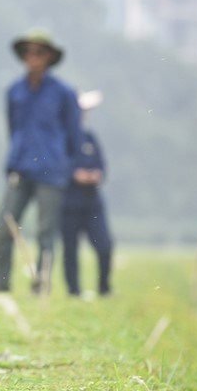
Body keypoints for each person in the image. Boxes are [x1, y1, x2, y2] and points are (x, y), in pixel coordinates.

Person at [0, 30, 81, 295]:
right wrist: (16, 156)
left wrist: (66, 167)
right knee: (3, 226)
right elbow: (13, 129)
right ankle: (1, 284)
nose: (33, 57)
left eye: (39, 52)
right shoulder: (14, 91)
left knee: (45, 233)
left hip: (51, 171)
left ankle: (41, 284)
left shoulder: (64, 93)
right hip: (20, 167)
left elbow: (74, 134)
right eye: (29, 52)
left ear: (49, 57)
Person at [60, 90, 114, 297]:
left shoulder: (90, 138)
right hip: (68, 203)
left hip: (92, 202)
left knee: (104, 245)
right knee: (70, 250)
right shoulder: (59, 140)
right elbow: (57, 167)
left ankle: (104, 288)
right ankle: (73, 291)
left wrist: (95, 175)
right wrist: (74, 174)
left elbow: (102, 166)